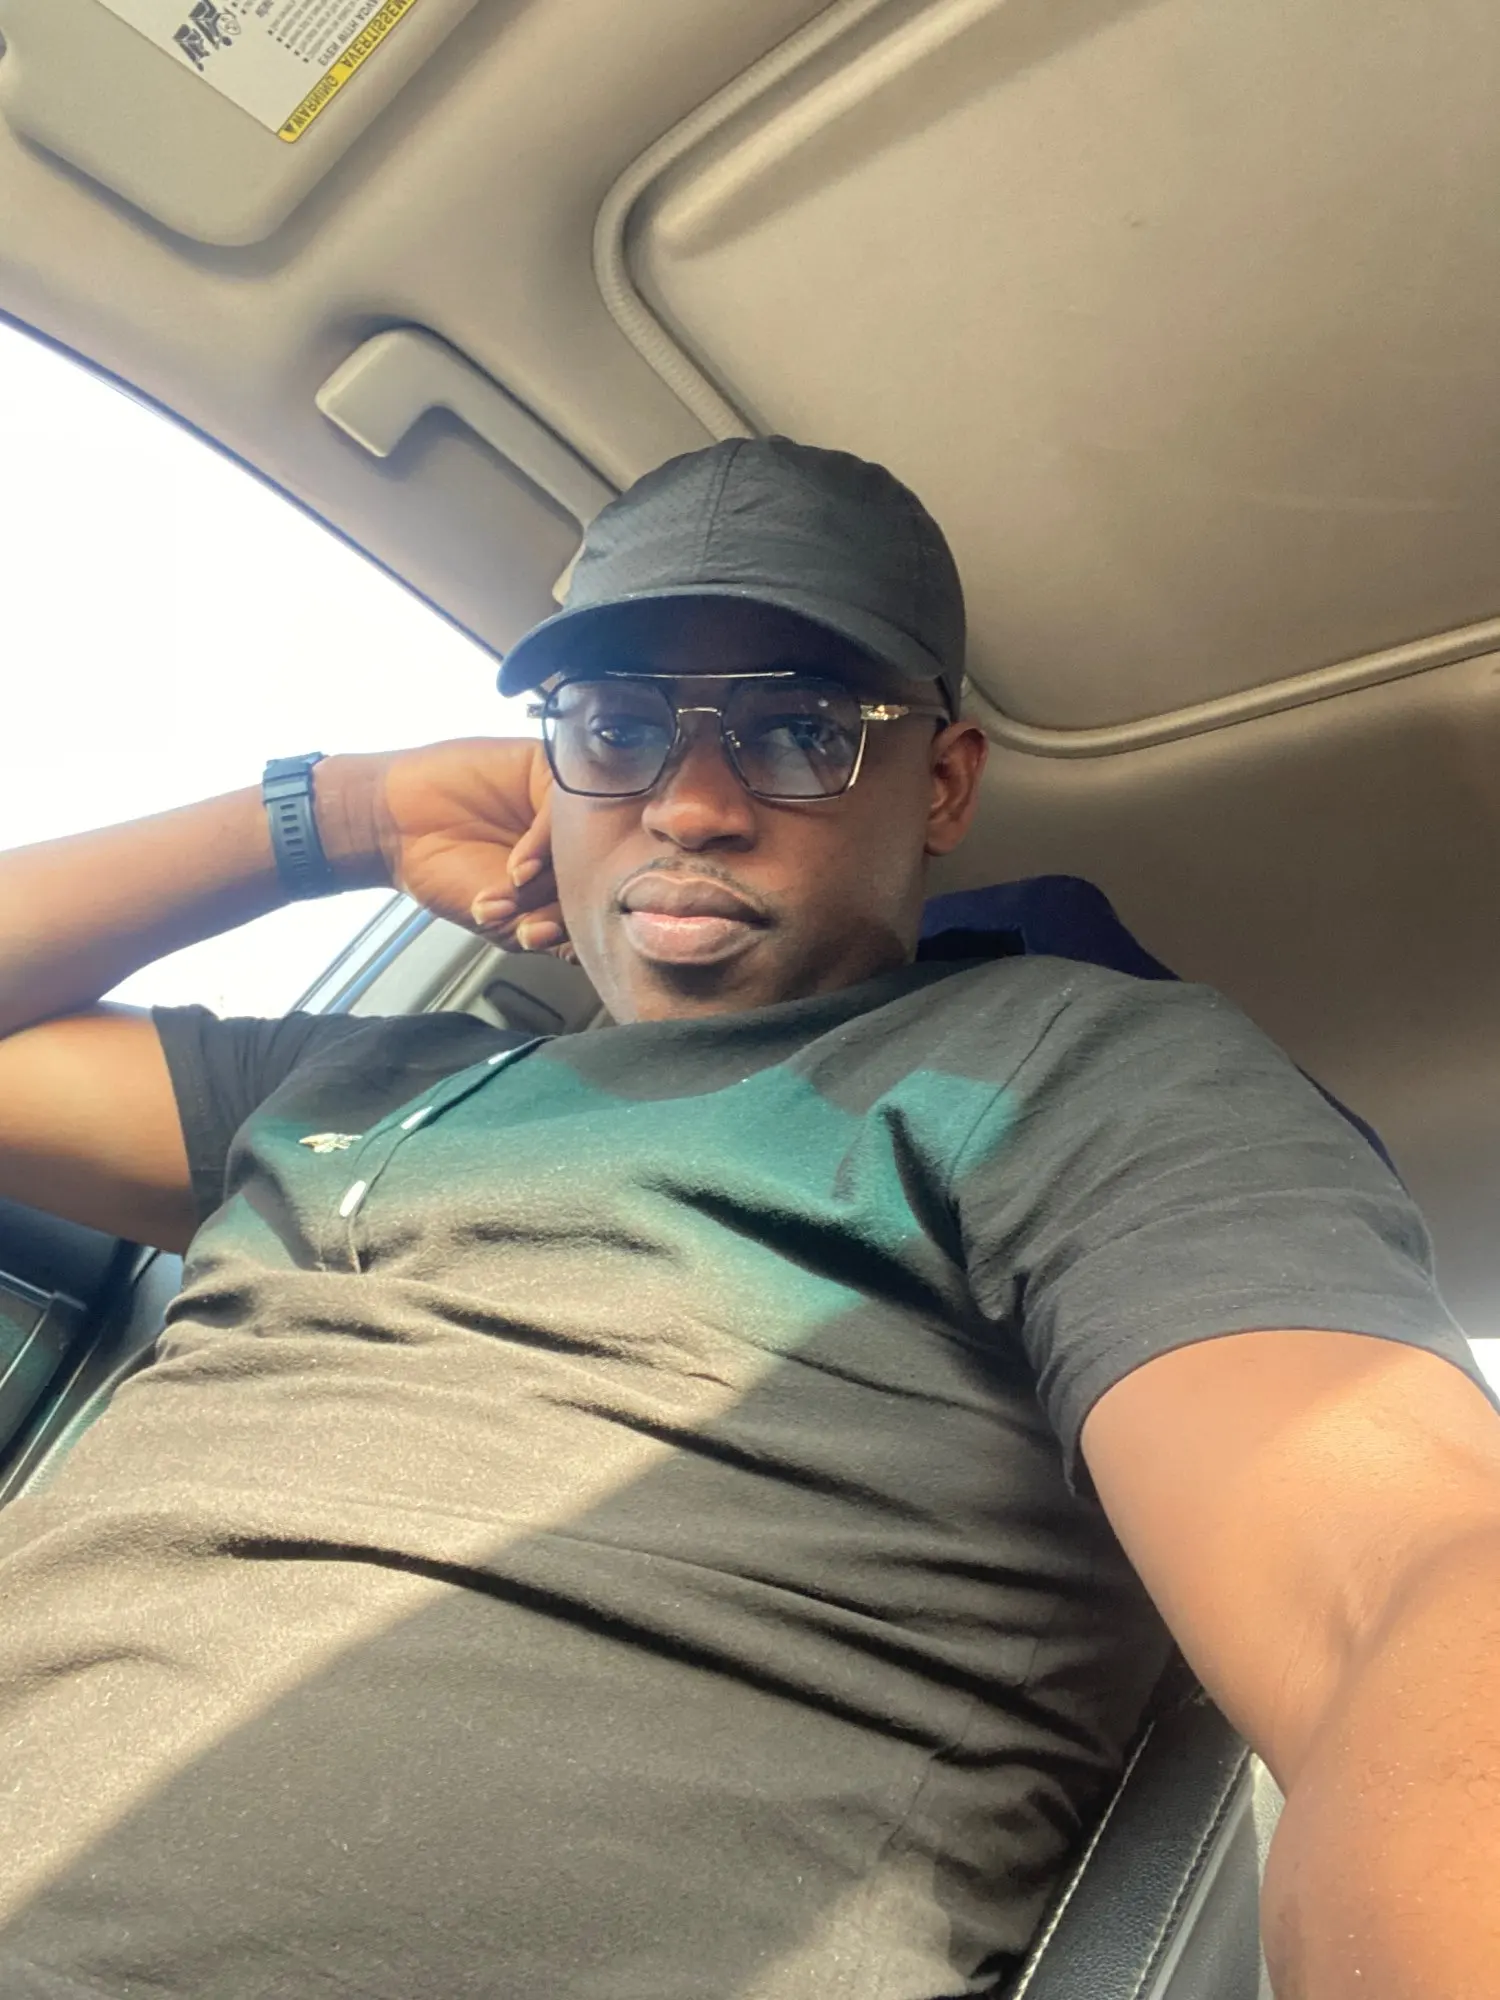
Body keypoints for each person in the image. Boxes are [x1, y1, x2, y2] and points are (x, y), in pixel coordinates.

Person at [0, 435, 1495, 2000]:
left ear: (943, 783)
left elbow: (1399, 1580)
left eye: (799, 730)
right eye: (617, 725)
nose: (693, 803)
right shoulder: (362, 1075)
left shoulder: (1078, 1073)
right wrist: (350, 812)